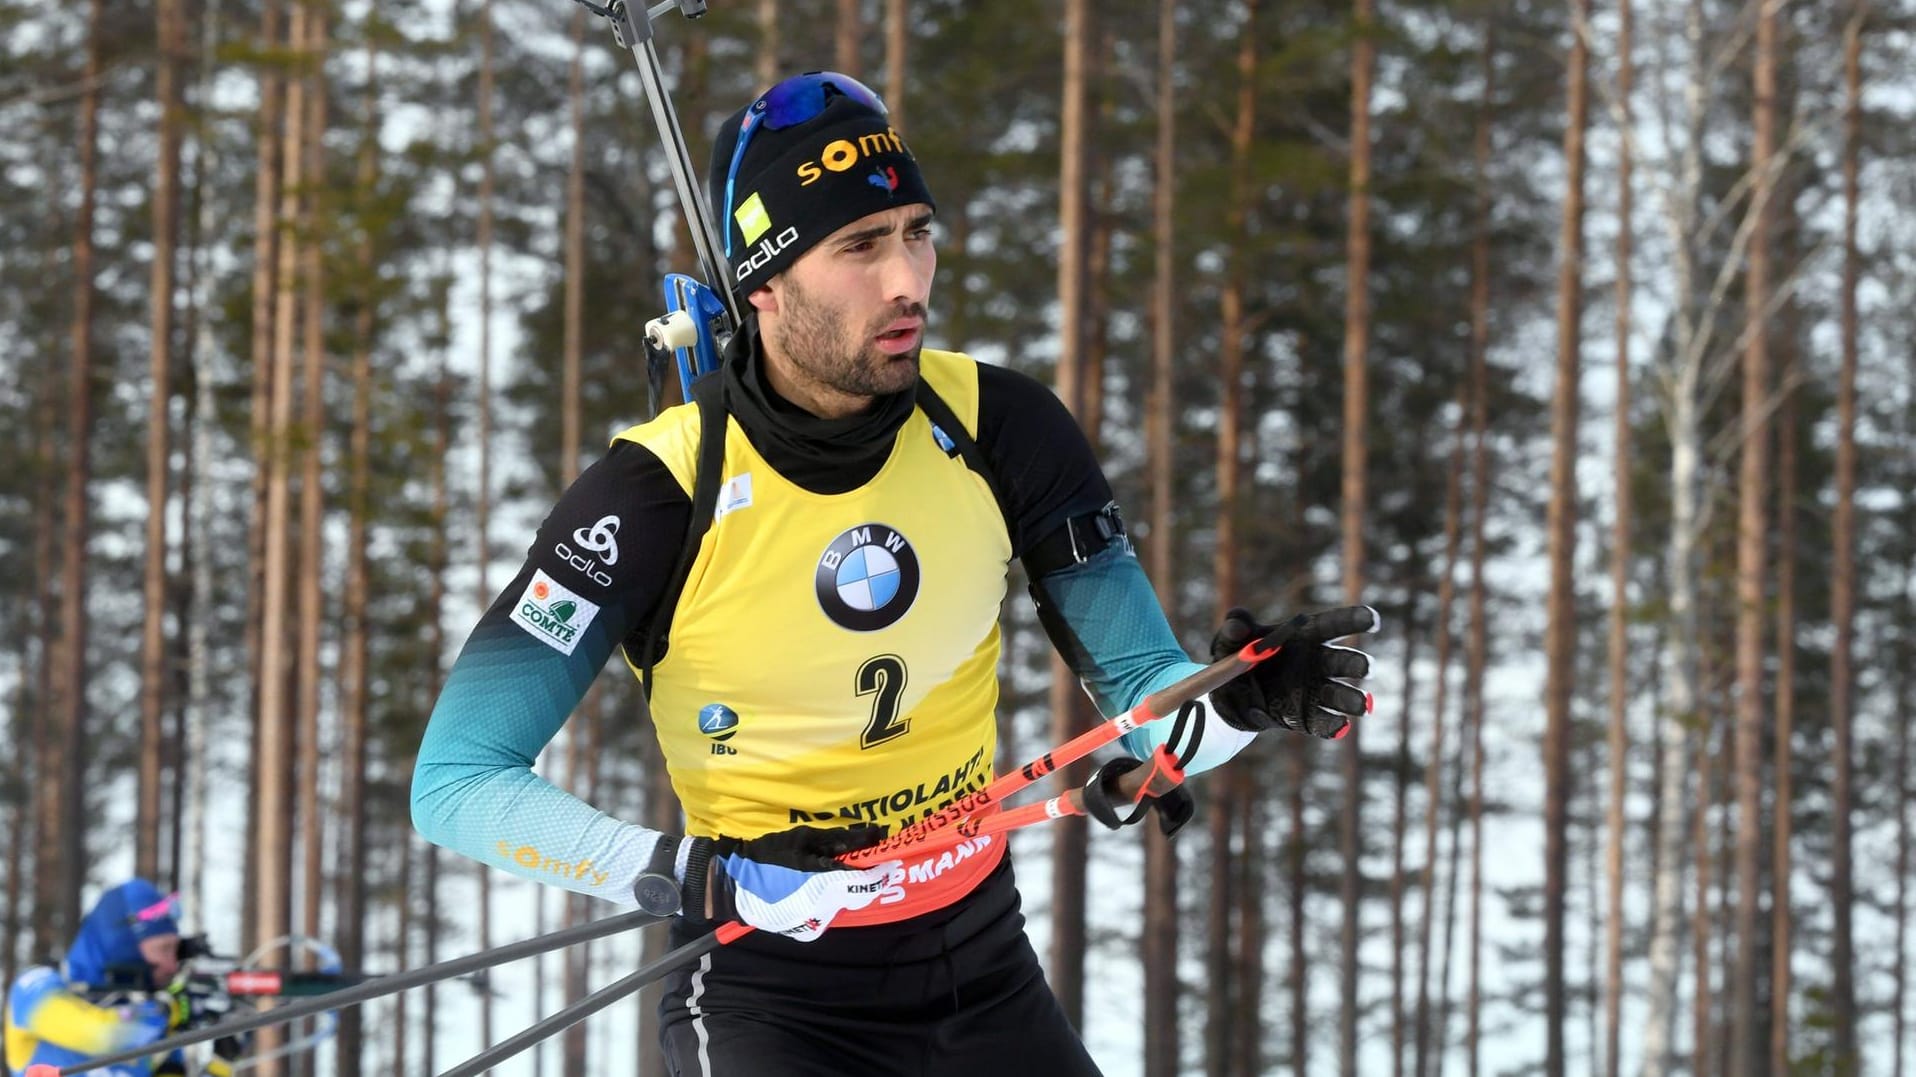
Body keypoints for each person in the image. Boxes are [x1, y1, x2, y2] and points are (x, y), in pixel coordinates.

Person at [412, 70, 1377, 1076]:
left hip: (981, 966)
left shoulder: (999, 427)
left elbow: (1141, 700)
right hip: (767, 991)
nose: (907, 279)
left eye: (917, 233)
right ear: (765, 281)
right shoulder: (651, 495)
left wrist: (1237, 702)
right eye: (860, 248)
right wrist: (698, 877)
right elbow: (456, 782)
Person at [4, 879, 242, 1076]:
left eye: (175, 950)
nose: (171, 965)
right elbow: (99, 1034)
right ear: (124, 945)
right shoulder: (35, 987)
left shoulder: (152, 1023)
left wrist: (222, 1061)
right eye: (162, 949)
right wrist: (172, 1010)